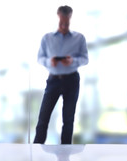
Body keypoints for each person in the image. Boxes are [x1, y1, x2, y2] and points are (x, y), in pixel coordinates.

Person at [34, 5, 89, 144]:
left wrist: (72, 61)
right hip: (53, 80)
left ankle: (65, 153)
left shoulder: (79, 38)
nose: (64, 26)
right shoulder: (47, 38)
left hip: (71, 80)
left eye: (66, 23)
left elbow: (85, 59)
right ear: (57, 18)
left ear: (70, 19)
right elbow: (40, 58)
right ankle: (36, 149)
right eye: (61, 23)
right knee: (43, 118)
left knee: (68, 120)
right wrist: (49, 61)